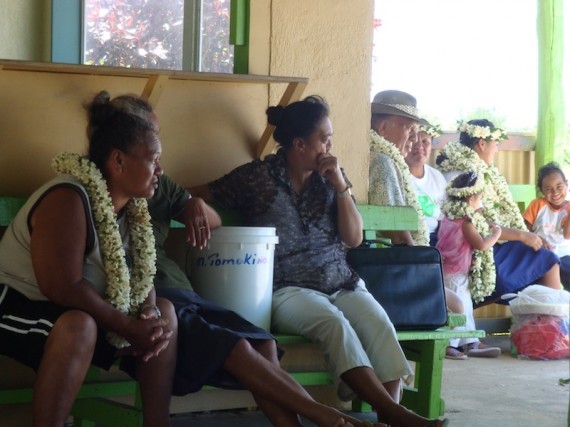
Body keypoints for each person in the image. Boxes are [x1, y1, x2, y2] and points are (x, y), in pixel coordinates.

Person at [190, 95, 450, 427]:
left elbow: (353, 238)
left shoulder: (331, 179)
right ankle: (397, 416)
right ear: (299, 144)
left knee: (379, 323)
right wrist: (190, 204)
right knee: (333, 324)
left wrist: (341, 188)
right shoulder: (257, 177)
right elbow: (198, 192)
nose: (330, 145)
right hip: (287, 289)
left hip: (341, 281)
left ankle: (387, 416)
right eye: (324, 138)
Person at [148, 174, 386, 427]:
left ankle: (368, 412)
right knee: (237, 345)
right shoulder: (261, 177)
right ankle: (325, 415)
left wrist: (195, 203)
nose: (159, 167)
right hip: (163, 301)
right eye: (151, 156)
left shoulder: (160, 185)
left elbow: (214, 221)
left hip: (187, 296)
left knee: (264, 343)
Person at [0, 91, 178, 427]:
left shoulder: (132, 209)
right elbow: (61, 287)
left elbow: (142, 278)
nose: (160, 170)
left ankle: (158, 423)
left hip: (79, 314)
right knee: (79, 328)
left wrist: (148, 313)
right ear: (118, 161)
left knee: (164, 314)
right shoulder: (68, 197)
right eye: (153, 159)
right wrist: (127, 326)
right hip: (15, 303)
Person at [435, 119, 562, 354]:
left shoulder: (480, 170)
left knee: (545, 256)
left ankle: (548, 335)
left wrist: (523, 235)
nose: (498, 148)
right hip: (472, 249)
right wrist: (523, 236)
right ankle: (553, 336)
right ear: (481, 143)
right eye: (495, 143)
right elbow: (481, 224)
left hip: (486, 242)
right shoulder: (466, 174)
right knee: (546, 259)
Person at [436, 172, 503, 358]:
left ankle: (470, 342)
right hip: (456, 273)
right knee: (458, 310)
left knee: (464, 307)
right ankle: (448, 344)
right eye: (479, 198)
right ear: (471, 198)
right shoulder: (466, 222)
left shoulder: (449, 216)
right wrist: (495, 234)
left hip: (449, 271)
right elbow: (481, 244)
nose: (480, 202)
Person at [368, 90, 430, 246]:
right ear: (382, 128)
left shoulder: (382, 158)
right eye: (410, 129)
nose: (415, 138)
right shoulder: (382, 162)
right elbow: (396, 234)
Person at [523, 162, 570, 290]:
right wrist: (538, 240)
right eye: (548, 189)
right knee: (540, 287)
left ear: (566, 184)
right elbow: (524, 229)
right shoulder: (537, 204)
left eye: (559, 186)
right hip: (540, 252)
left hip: (564, 255)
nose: (555, 192)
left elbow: (567, 235)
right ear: (542, 190)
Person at [405, 123, 448, 247]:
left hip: (435, 239)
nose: (419, 146)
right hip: (408, 241)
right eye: (413, 141)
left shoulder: (437, 176)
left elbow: (445, 216)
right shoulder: (397, 173)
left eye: (425, 142)